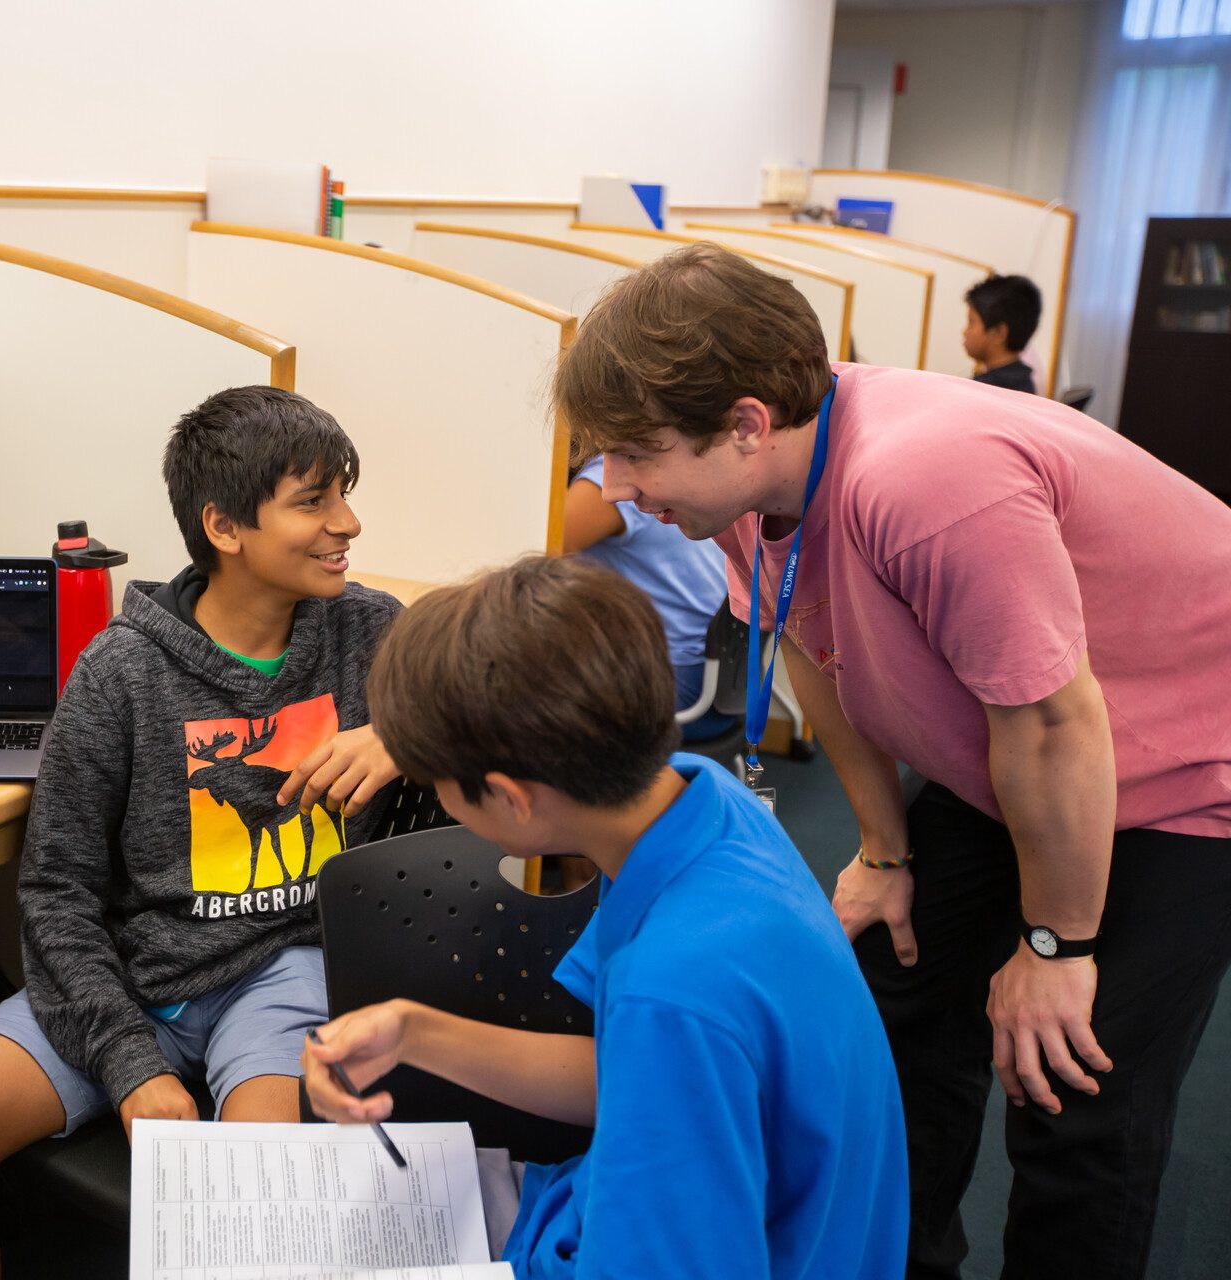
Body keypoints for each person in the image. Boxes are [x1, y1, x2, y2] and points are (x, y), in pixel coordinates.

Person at [562, 243, 1231, 1279]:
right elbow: (810, 645)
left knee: (1067, 1081)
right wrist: (883, 846)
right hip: (1009, 752)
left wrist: (1055, 948)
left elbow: (1058, 726)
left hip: (1184, 767)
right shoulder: (744, 490)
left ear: (744, 422)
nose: (619, 486)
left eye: (635, 455)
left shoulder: (923, 480)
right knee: (900, 998)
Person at [304, 554, 909, 1279]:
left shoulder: (676, 987)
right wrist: (415, 1032)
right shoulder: (704, 802)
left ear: (510, 798)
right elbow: (633, 1070)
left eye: (436, 783)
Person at [0, 386, 405, 1280]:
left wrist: (405, 732)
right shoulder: (120, 672)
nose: (346, 522)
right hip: (135, 978)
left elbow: (514, 700)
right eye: (313, 502)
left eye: (342, 494)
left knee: (258, 1186)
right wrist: (126, 1059)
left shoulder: (371, 630)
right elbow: (56, 890)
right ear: (225, 528)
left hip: (284, 970)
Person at [562, 454, 735, 740]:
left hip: (674, 683)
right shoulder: (670, 467)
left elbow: (531, 551)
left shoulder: (612, 482)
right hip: (726, 683)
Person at [964, 274, 1042, 394]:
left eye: (971, 322)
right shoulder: (1025, 382)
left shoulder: (985, 392)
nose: (965, 332)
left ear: (999, 333)